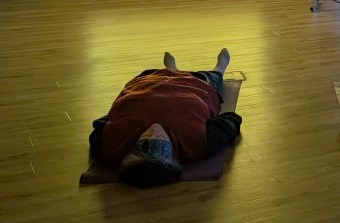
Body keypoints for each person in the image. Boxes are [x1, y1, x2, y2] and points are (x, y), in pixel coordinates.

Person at [89, 48, 242, 186]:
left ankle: (171, 68)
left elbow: (101, 122)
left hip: (148, 79)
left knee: (163, 73)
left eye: (144, 142)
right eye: (160, 142)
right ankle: (220, 67)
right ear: (173, 155)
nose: (153, 132)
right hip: (197, 83)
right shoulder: (199, 143)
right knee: (215, 76)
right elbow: (231, 119)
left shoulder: (109, 144)